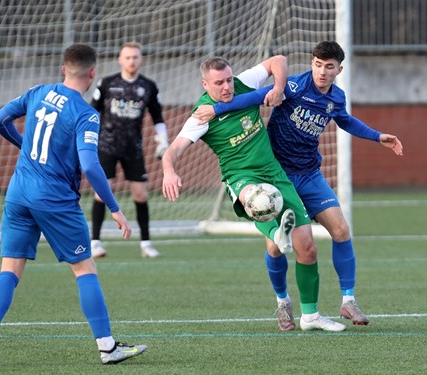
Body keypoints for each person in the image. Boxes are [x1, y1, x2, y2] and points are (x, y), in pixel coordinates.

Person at [193, 41, 404, 326]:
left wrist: (378, 136)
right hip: (276, 174)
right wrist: (217, 109)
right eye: (317, 64)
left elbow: (345, 121)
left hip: (309, 173)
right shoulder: (293, 86)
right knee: (275, 247)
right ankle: (282, 302)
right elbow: (255, 96)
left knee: (341, 229)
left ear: (338, 70)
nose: (322, 71)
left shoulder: (336, 98)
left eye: (329, 67)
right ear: (312, 63)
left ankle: (348, 301)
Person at [0, 44, 147, 366]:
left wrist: (26, 147)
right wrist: (115, 209)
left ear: (64, 69)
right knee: (84, 267)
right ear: (92, 74)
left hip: (19, 192)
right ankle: (107, 347)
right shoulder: (85, 114)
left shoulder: (38, 91)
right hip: (54, 198)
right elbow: (91, 167)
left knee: (9, 269)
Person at [162, 55, 346, 332]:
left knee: (307, 246)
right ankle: (282, 296)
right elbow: (172, 151)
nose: (227, 88)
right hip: (242, 178)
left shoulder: (243, 83)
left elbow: (278, 61)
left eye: (228, 80)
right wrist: (169, 171)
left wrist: (278, 88)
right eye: (219, 83)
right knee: (257, 199)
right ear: (204, 84)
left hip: (275, 172)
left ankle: (311, 316)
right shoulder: (201, 115)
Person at [90, 41, 168, 259]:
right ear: (120, 59)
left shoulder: (149, 86)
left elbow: (157, 116)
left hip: (133, 148)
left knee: (141, 194)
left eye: (135, 57)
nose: (131, 61)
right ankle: (95, 242)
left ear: (141, 59)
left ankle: (146, 243)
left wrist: (163, 140)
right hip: (106, 145)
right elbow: (91, 112)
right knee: (102, 193)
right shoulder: (107, 84)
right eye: (127, 57)